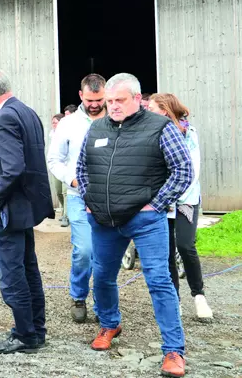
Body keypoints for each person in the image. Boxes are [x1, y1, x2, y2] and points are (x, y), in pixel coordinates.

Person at [76, 73, 192, 378]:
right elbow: (82, 167)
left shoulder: (161, 127)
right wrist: (90, 198)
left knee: (159, 281)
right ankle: (110, 324)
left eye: (119, 100)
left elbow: (182, 169)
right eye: (109, 101)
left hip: (145, 221)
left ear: (137, 99)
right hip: (104, 220)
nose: (112, 106)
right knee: (101, 277)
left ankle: (174, 350)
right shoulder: (97, 128)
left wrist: (156, 204)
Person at [0, 70, 53, 354]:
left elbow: (13, 168)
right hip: (23, 206)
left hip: (9, 207)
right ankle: (35, 330)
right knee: (27, 268)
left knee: (13, 273)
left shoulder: (6, 116)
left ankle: (25, 335)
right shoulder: (27, 112)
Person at [46, 74, 106, 322]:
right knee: (84, 249)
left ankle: (104, 303)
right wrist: (71, 180)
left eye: (99, 99)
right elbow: (54, 160)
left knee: (105, 253)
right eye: (90, 100)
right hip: (78, 197)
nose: (95, 104)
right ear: (81, 95)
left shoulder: (117, 118)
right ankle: (79, 296)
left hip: (110, 199)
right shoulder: (68, 125)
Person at [148, 93, 213, 320]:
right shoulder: (154, 133)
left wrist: (174, 195)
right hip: (162, 201)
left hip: (185, 200)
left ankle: (199, 295)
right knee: (166, 251)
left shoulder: (189, 133)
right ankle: (172, 300)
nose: (147, 112)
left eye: (151, 108)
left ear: (164, 110)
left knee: (185, 245)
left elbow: (191, 171)